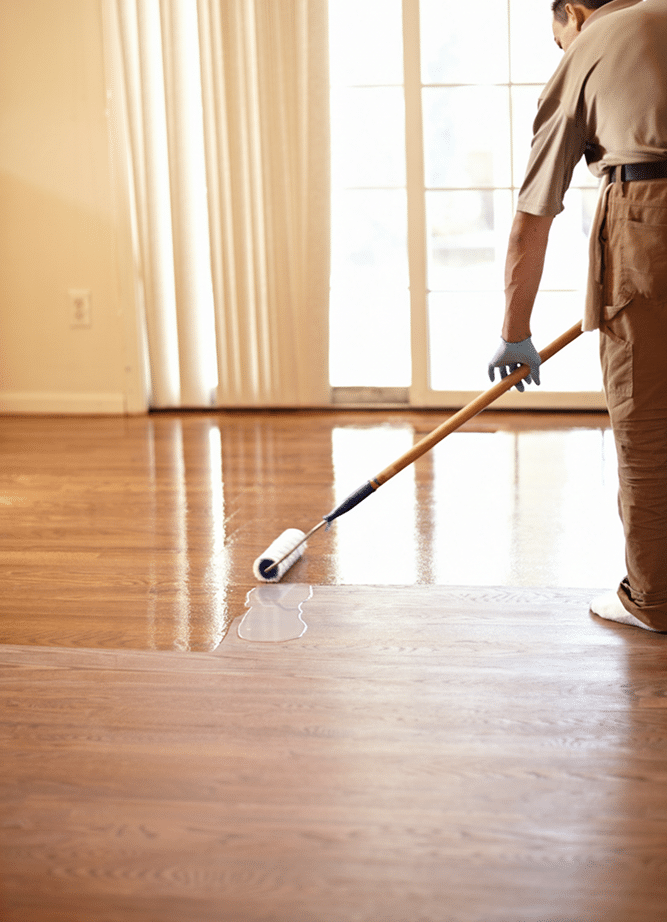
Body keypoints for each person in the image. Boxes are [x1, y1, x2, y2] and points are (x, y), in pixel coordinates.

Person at [488, 0, 667, 632]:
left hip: (651, 216)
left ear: (575, 12)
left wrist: (515, 332)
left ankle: (654, 599)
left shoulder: (592, 42)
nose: (562, 50)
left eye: (556, 37)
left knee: (647, 421)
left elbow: (533, 216)